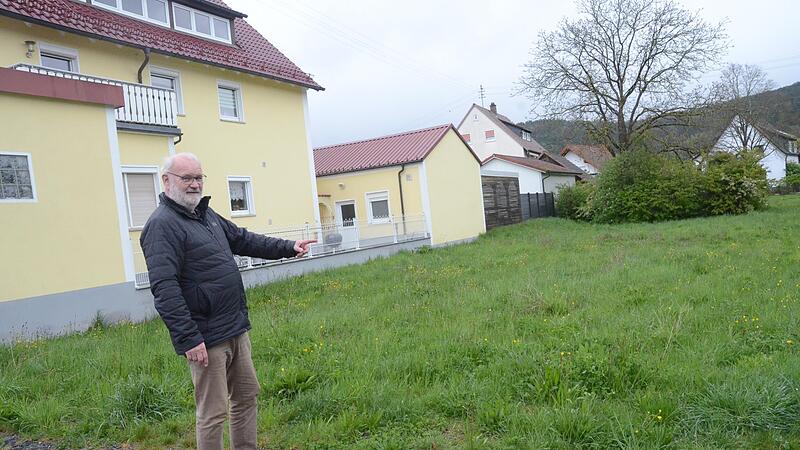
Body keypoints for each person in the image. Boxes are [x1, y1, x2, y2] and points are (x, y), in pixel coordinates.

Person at [140, 152, 315, 450]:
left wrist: (288, 246)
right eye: (187, 178)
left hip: (234, 327)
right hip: (206, 338)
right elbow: (164, 289)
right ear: (166, 181)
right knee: (213, 412)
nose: (195, 184)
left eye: (199, 177)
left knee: (246, 396)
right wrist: (189, 338)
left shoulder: (205, 214)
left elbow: (243, 239)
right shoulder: (162, 225)